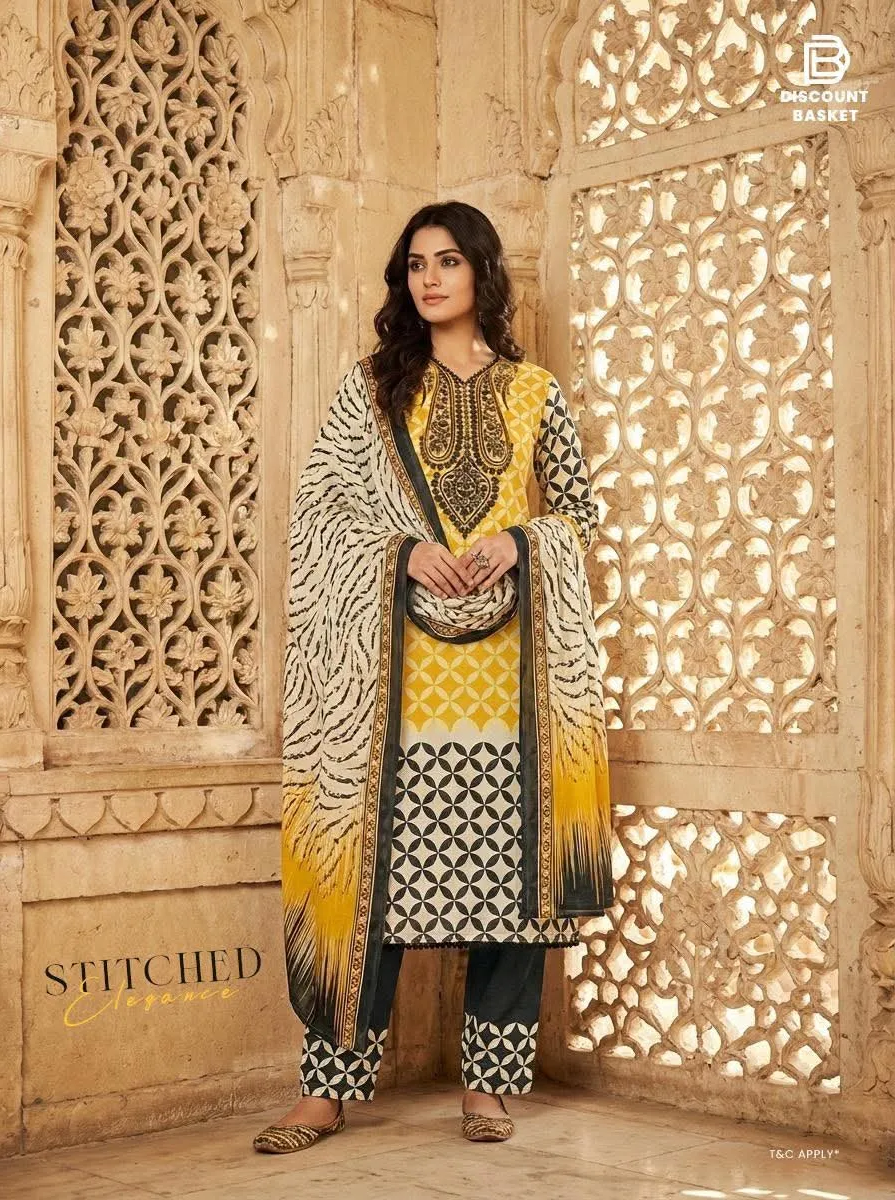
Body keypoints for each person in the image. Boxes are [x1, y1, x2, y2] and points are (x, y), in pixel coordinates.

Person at [253, 201, 612, 1154]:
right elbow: (322, 514)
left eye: (449, 261)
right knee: (368, 875)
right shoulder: (372, 390)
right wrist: (404, 553)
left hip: (510, 679)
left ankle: (488, 1088)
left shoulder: (534, 393)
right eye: (416, 264)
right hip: (390, 682)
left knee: (513, 887)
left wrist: (519, 541)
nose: (430, 278)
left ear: (482, 273)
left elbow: (578, 514)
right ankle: (327, 1089)